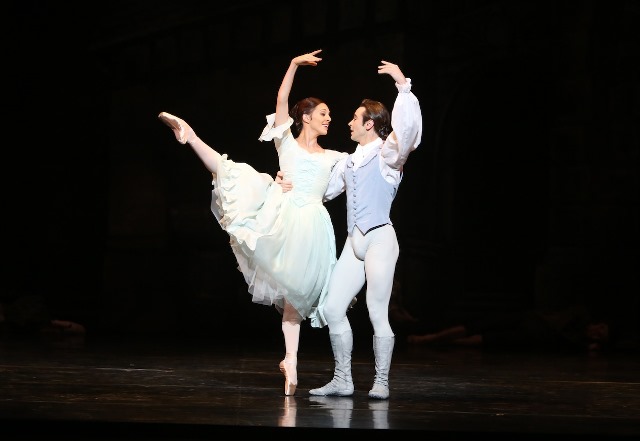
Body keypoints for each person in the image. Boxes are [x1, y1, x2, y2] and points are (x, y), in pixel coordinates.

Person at [157, 50, 347, 396]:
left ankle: (291, 360)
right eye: (323, 113)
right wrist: (292, 64)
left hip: (314, 227)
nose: (329, 119)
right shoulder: (286, 143)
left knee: (297, 296)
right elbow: (281, 99)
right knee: (235, 174)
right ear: (305, 117)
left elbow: (365, 163)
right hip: (282, 213)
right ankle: (191, 135)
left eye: (330, 115)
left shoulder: (335, 157)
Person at [279, 61, 422, 399]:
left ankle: (382, 382)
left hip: (380, 238)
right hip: (354, 241)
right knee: (332, 308)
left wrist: (402, 85)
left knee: (376, 309)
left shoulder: (388, 155)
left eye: (354, 119)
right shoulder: (348, 161)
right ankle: (343, 379)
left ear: (368, 124)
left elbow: (407, 134)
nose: (347, 123)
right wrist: (285, 183)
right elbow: (321, 190)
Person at [406, 305, 614, 353]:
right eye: (599, 329)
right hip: (529, 320)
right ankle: (429, 338)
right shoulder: (578, 317)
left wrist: (589, 346)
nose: (595, 332)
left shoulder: (577, 343)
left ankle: (437, 341)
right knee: (477, 326)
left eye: (599, 336)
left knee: (486, 338)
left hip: (530, 336)